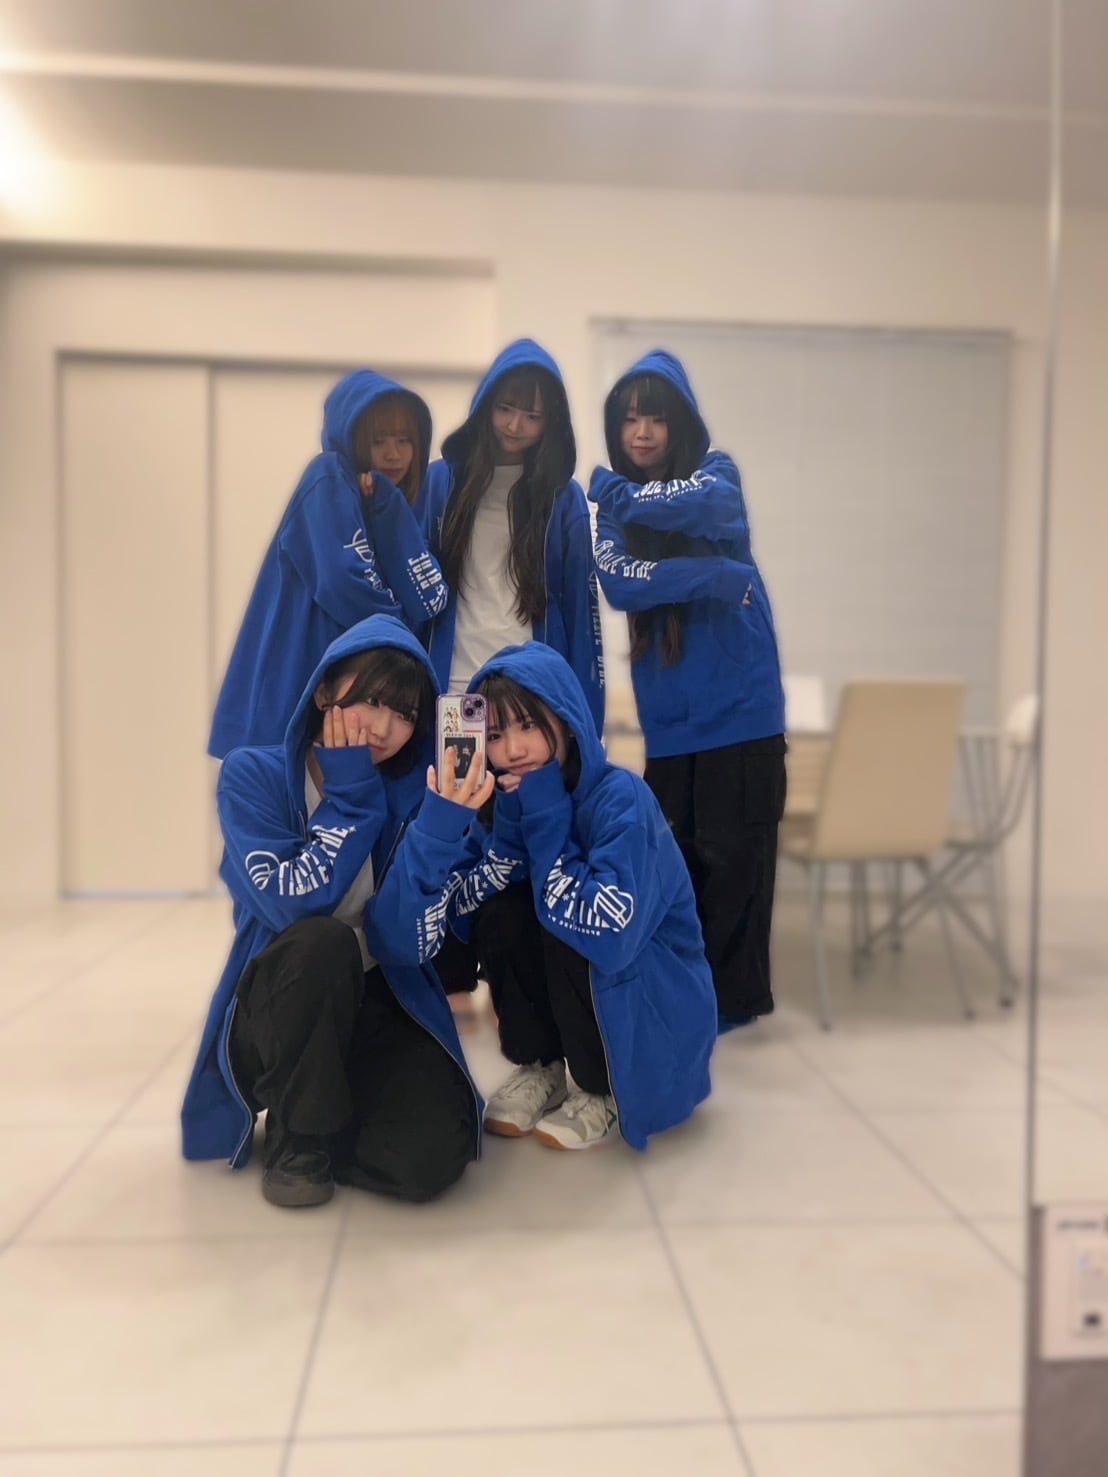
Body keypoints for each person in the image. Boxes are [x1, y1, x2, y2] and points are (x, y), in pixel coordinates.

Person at [182, 614, 486, 1208]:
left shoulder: (415, 794)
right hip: (285, 997)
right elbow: (291, 906)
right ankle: (301, 1136)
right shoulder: (254, 774)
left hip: (376, 994)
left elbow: (400, 943)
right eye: (372, 699)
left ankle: (329, 1106)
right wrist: (350, 795)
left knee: (426, 1163)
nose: (385, 727)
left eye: (404, 713)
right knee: (324, 941)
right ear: (324, 692)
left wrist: (441, 827)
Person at [365, 641, 717, 1152]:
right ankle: (542, 1065)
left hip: (654, 999)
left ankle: (602, 1087)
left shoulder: (621, 799)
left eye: (528, 725)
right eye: (494, 735)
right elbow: (458, 918)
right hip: (599, 976)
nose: (512, 750)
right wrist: (496, 828)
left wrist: (548, 813)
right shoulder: (506, 801)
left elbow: (610, 937)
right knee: (503, 916)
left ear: (567, 722)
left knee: (566, 927)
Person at [589, 350, 786, 1030]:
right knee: (678, 870)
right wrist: (716, 578)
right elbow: (620, 583)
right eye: (628, 419)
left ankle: (732, 1016)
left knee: (738, 869)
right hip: (670, 723)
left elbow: (708, 507)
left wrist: (619, 496)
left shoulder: (715, 474)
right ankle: (687, 1007)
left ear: (681, 423)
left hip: (743, 716)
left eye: (655, 418)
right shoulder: (615, 517)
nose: (641, 432)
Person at [419, 339, 606, 1021]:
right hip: (457, 696)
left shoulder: (562, 497)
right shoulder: (444, 483)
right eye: (506, 408)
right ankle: (450, 973)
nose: (516, 425)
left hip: (527, 701)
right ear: (486, 405)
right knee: (452, 828)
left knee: (528, 830)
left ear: (550, 420)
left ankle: (518, 980)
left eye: (532, 415)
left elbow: (580, 612)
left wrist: (582, 718)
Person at [209, 371, 448, 759]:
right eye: (379, 440)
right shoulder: (327, 477)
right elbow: (343, 584)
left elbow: (431, 601)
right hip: (304, 674)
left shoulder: (394, 504)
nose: (393, 454)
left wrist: (389, 509)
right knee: (283, 782)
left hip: (355, 689)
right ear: (352, 436)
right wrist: (401, 633)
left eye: (404, 440)